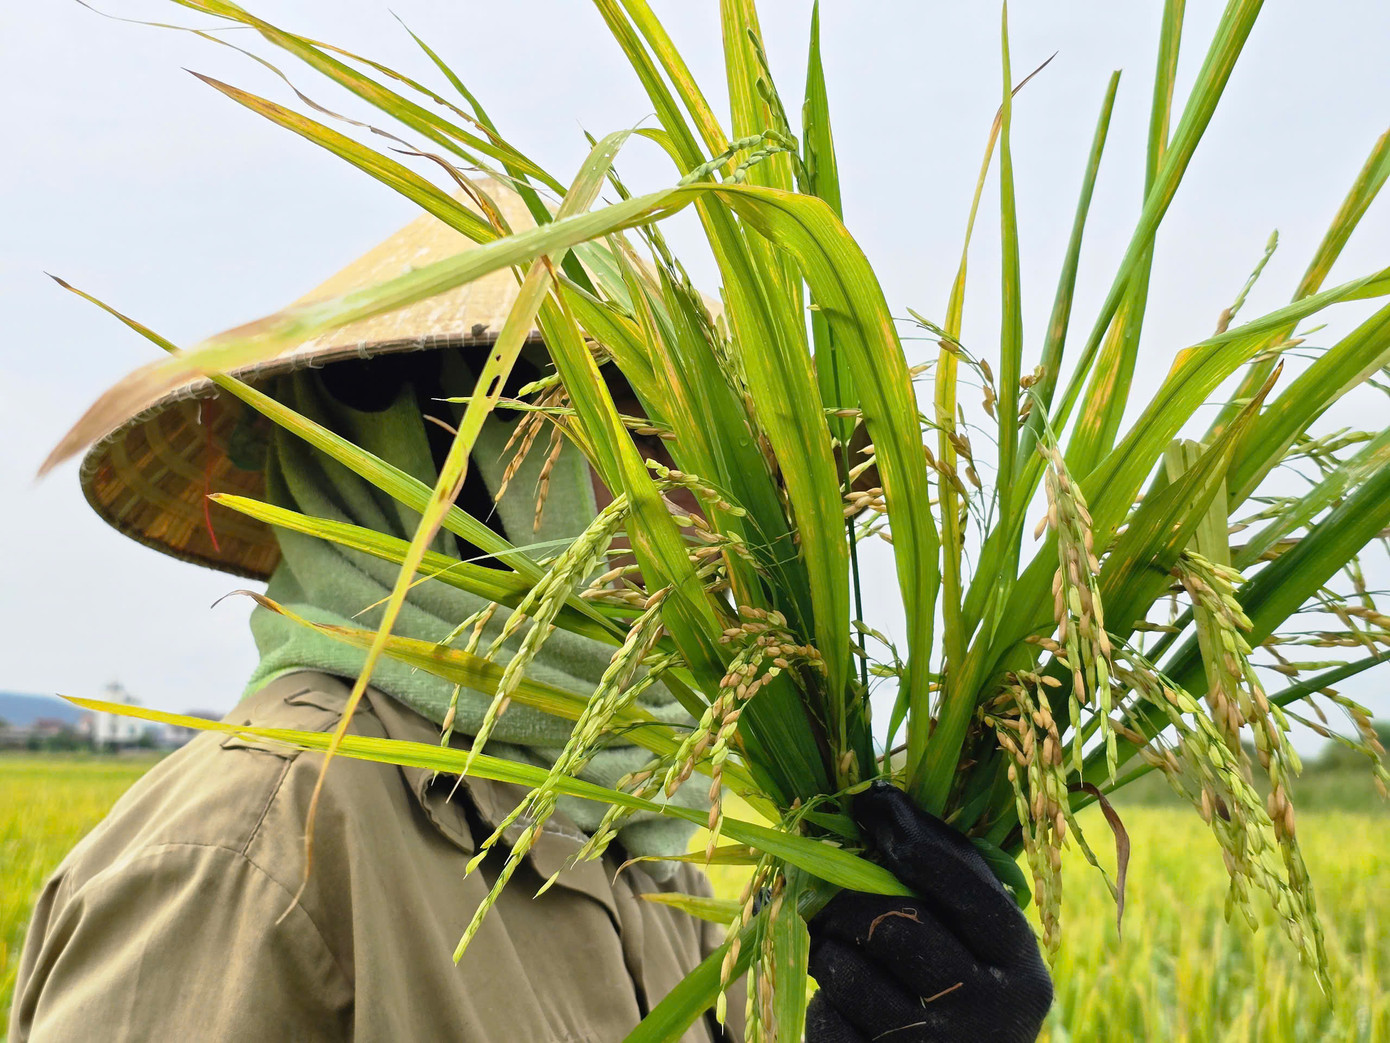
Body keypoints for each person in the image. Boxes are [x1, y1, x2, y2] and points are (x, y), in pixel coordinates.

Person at [11, 179, 1050, 1041]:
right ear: (442, 453)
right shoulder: (250, 854)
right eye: (652, 446)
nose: (714, 524)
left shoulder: (634, 837)